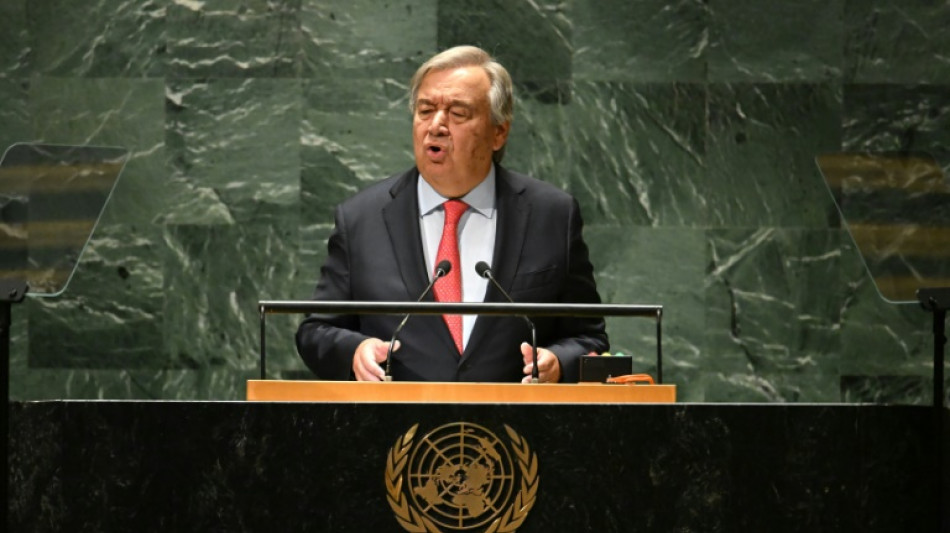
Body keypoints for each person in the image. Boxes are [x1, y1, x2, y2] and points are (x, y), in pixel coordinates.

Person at [295, 45, 608, 383]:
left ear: (499, 132)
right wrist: (356, 351)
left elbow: (588, 338)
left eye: (458, 113)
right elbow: (317, 330)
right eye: (425, 110)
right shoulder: (361, 219)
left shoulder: (551, 215)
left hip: (511, 415)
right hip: (399, 416)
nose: (436, 126)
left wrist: (558, 363)